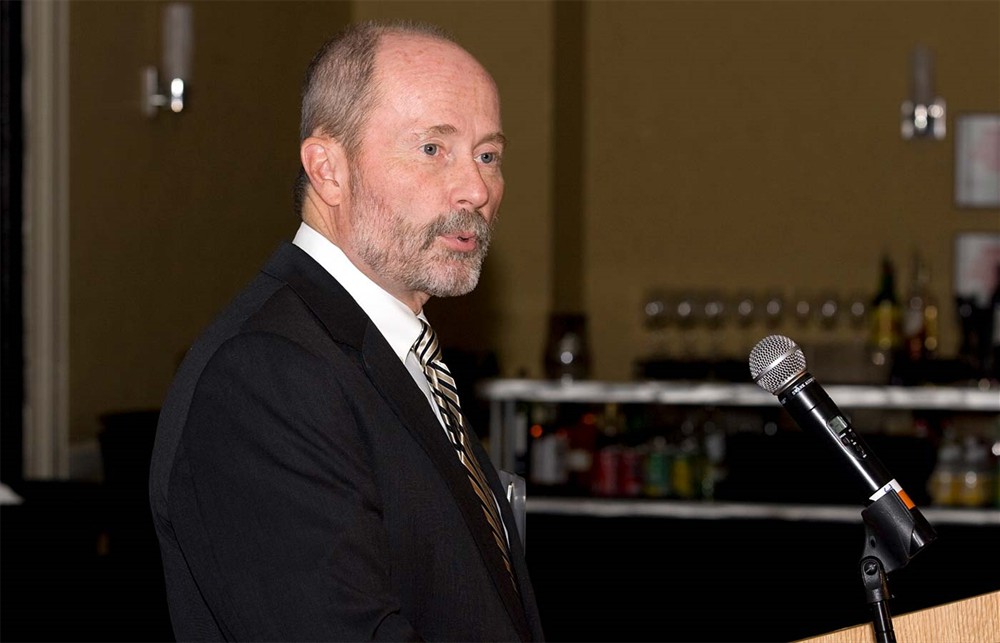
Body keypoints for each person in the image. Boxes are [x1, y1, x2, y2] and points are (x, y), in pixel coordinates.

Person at [148, 19, 544, 642]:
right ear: (328, 170)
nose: (476, 188)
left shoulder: (397, 348)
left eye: (488, 155)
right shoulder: (268, 376)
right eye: (432, 149)